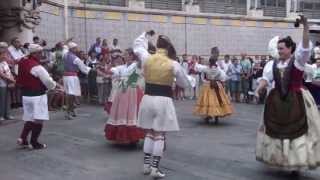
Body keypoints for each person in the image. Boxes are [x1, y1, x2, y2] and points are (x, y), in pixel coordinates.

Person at [255, 16, 320, 175]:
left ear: (290, 48)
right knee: (277, 131)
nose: (279, 51)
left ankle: (296, 163)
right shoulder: (273, 64)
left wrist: (305, 26)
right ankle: (282, 159)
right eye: (278, 49)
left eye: (282, 48)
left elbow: (305, 47)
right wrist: (259, 89)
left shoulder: (298, 61)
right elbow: (266, 78)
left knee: (297, 132)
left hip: (297, 99)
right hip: (277, 101)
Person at [134, 30, 190, 178]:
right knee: (160, 134)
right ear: (168, 46)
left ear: (157, 45)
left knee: (150, 132)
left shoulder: (147, 58)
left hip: (147, 98)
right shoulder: (173, 64)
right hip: (163, 100)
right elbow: (184, 84)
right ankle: (154, 168)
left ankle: (146, 166)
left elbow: (137, 46)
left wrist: (145, 34)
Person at [16, 44, 62, 149]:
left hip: (26, 95)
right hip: (37, 95)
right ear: (34, 53)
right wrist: (54, 86)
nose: (41, 55)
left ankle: (23, 138)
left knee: (30, 118)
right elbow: (47, 81)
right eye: (40, 52)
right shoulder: (36, 66)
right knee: (39, 119)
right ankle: (34, 142)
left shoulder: (22, 61)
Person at [104, 48, 145, 144]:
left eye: (126, 54)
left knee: (132, 112)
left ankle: (133, 136)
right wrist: (110, 64)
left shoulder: (136, 65)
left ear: (131, 55)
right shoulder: (122, 67)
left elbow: (138, 72)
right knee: (122, 112)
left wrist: (126, 81)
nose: (124, 56)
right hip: (122, 91)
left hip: (132, 91)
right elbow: (111, 71)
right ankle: (125, 136)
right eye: (124, 54)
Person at [193, 47, 233, 124]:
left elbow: (198, 68)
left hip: (208, 85)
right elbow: (223, 77)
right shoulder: (218, 69)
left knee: (208, 101)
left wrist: (196, 61)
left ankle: (208, 117)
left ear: (209, 62)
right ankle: (216, 118)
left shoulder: (206, 68)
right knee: (217, 100)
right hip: (217, 85)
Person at [63, 42, 93, 119]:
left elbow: (64, 47)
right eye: (76, 48)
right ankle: (69, 112)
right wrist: (92, 69)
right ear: (72, 49)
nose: (77, 49)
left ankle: (71, 110)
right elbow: (84, 69)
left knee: (69, 95)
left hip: (66, 77)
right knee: (71, 95)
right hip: (72, 77)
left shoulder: (65, 54)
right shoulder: (76, 58)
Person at [0, 42, 15, 122]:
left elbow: (9, 72)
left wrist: (12, 79)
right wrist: (12, 80)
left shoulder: (5, 62)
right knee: (1, 100)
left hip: (7, 83)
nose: (5, 56)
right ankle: (1, 115)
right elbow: (1, 74)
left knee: (7, 99)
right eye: (3, 55)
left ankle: (7, 114)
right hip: (1, 83)